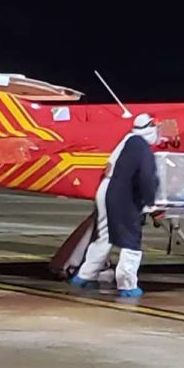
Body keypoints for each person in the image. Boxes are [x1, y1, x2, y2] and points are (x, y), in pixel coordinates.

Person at [70, 113, 160, 297]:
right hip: (122, 193)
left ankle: (85, 275)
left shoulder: (127, 140)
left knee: (105, 236)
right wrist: (151, 202)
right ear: (150, 127)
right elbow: (146, 177)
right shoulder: (141, 146)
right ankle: (127, 285)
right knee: (130, 237)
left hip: (106, 189)